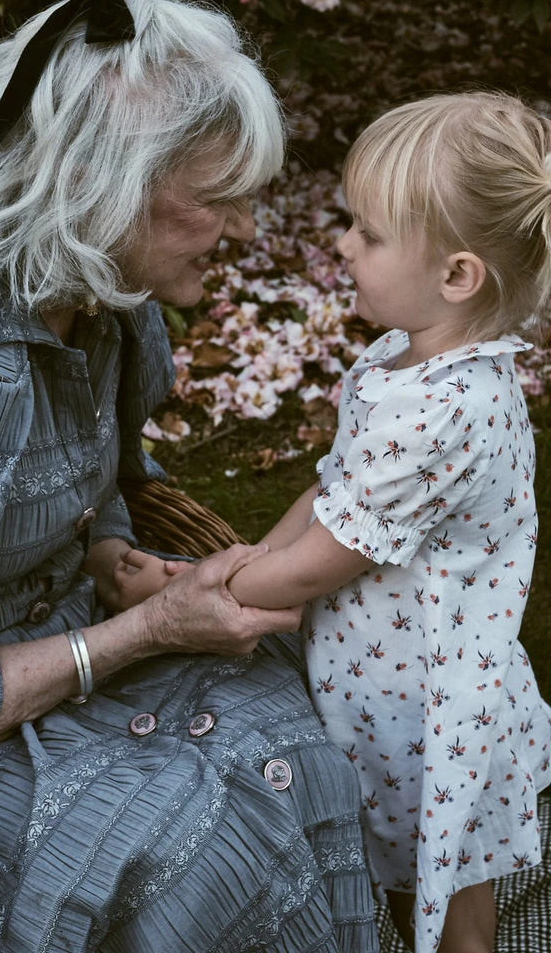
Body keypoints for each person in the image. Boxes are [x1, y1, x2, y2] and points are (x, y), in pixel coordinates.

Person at [0, 0, 379, 952]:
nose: (246, 231)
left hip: (62, 677)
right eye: (217, 200)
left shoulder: (110, 303)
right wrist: (145, 630)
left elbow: (111, 471)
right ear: (96, 185)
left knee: (312, 742)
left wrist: (112, 555)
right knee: (189, 864)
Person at [115, 91, 551, 953]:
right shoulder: (407, 363)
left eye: (368, 234)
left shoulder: (443, 414)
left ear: (456, 275)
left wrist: (200, 586)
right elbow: (332, 493)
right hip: (383, 700)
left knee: (453, 914)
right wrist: (247, 552)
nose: (342, 244)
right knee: (390, 886)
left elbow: (322, 564)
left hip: (433, 719)